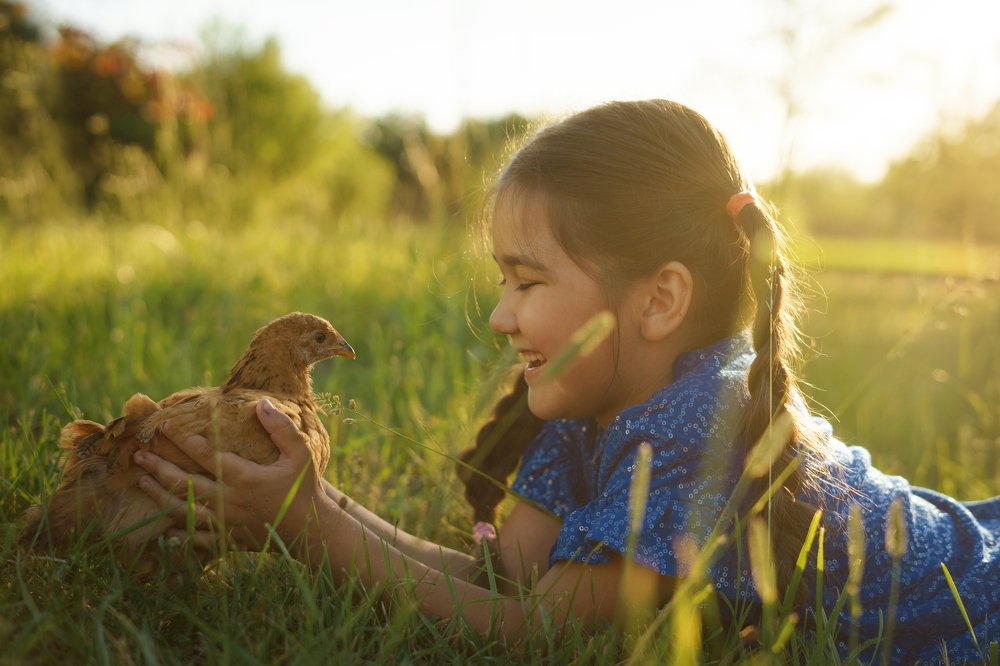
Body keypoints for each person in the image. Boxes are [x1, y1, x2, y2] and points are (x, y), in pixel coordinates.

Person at [133, 99, 999, 662]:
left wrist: (313, 526)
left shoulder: (700, 430)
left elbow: (542, 634)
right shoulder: (590, 400)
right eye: (503, 284)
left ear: (658, 301)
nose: (502, 317)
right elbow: (510, 575)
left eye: (528, 282)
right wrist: (307, 498)